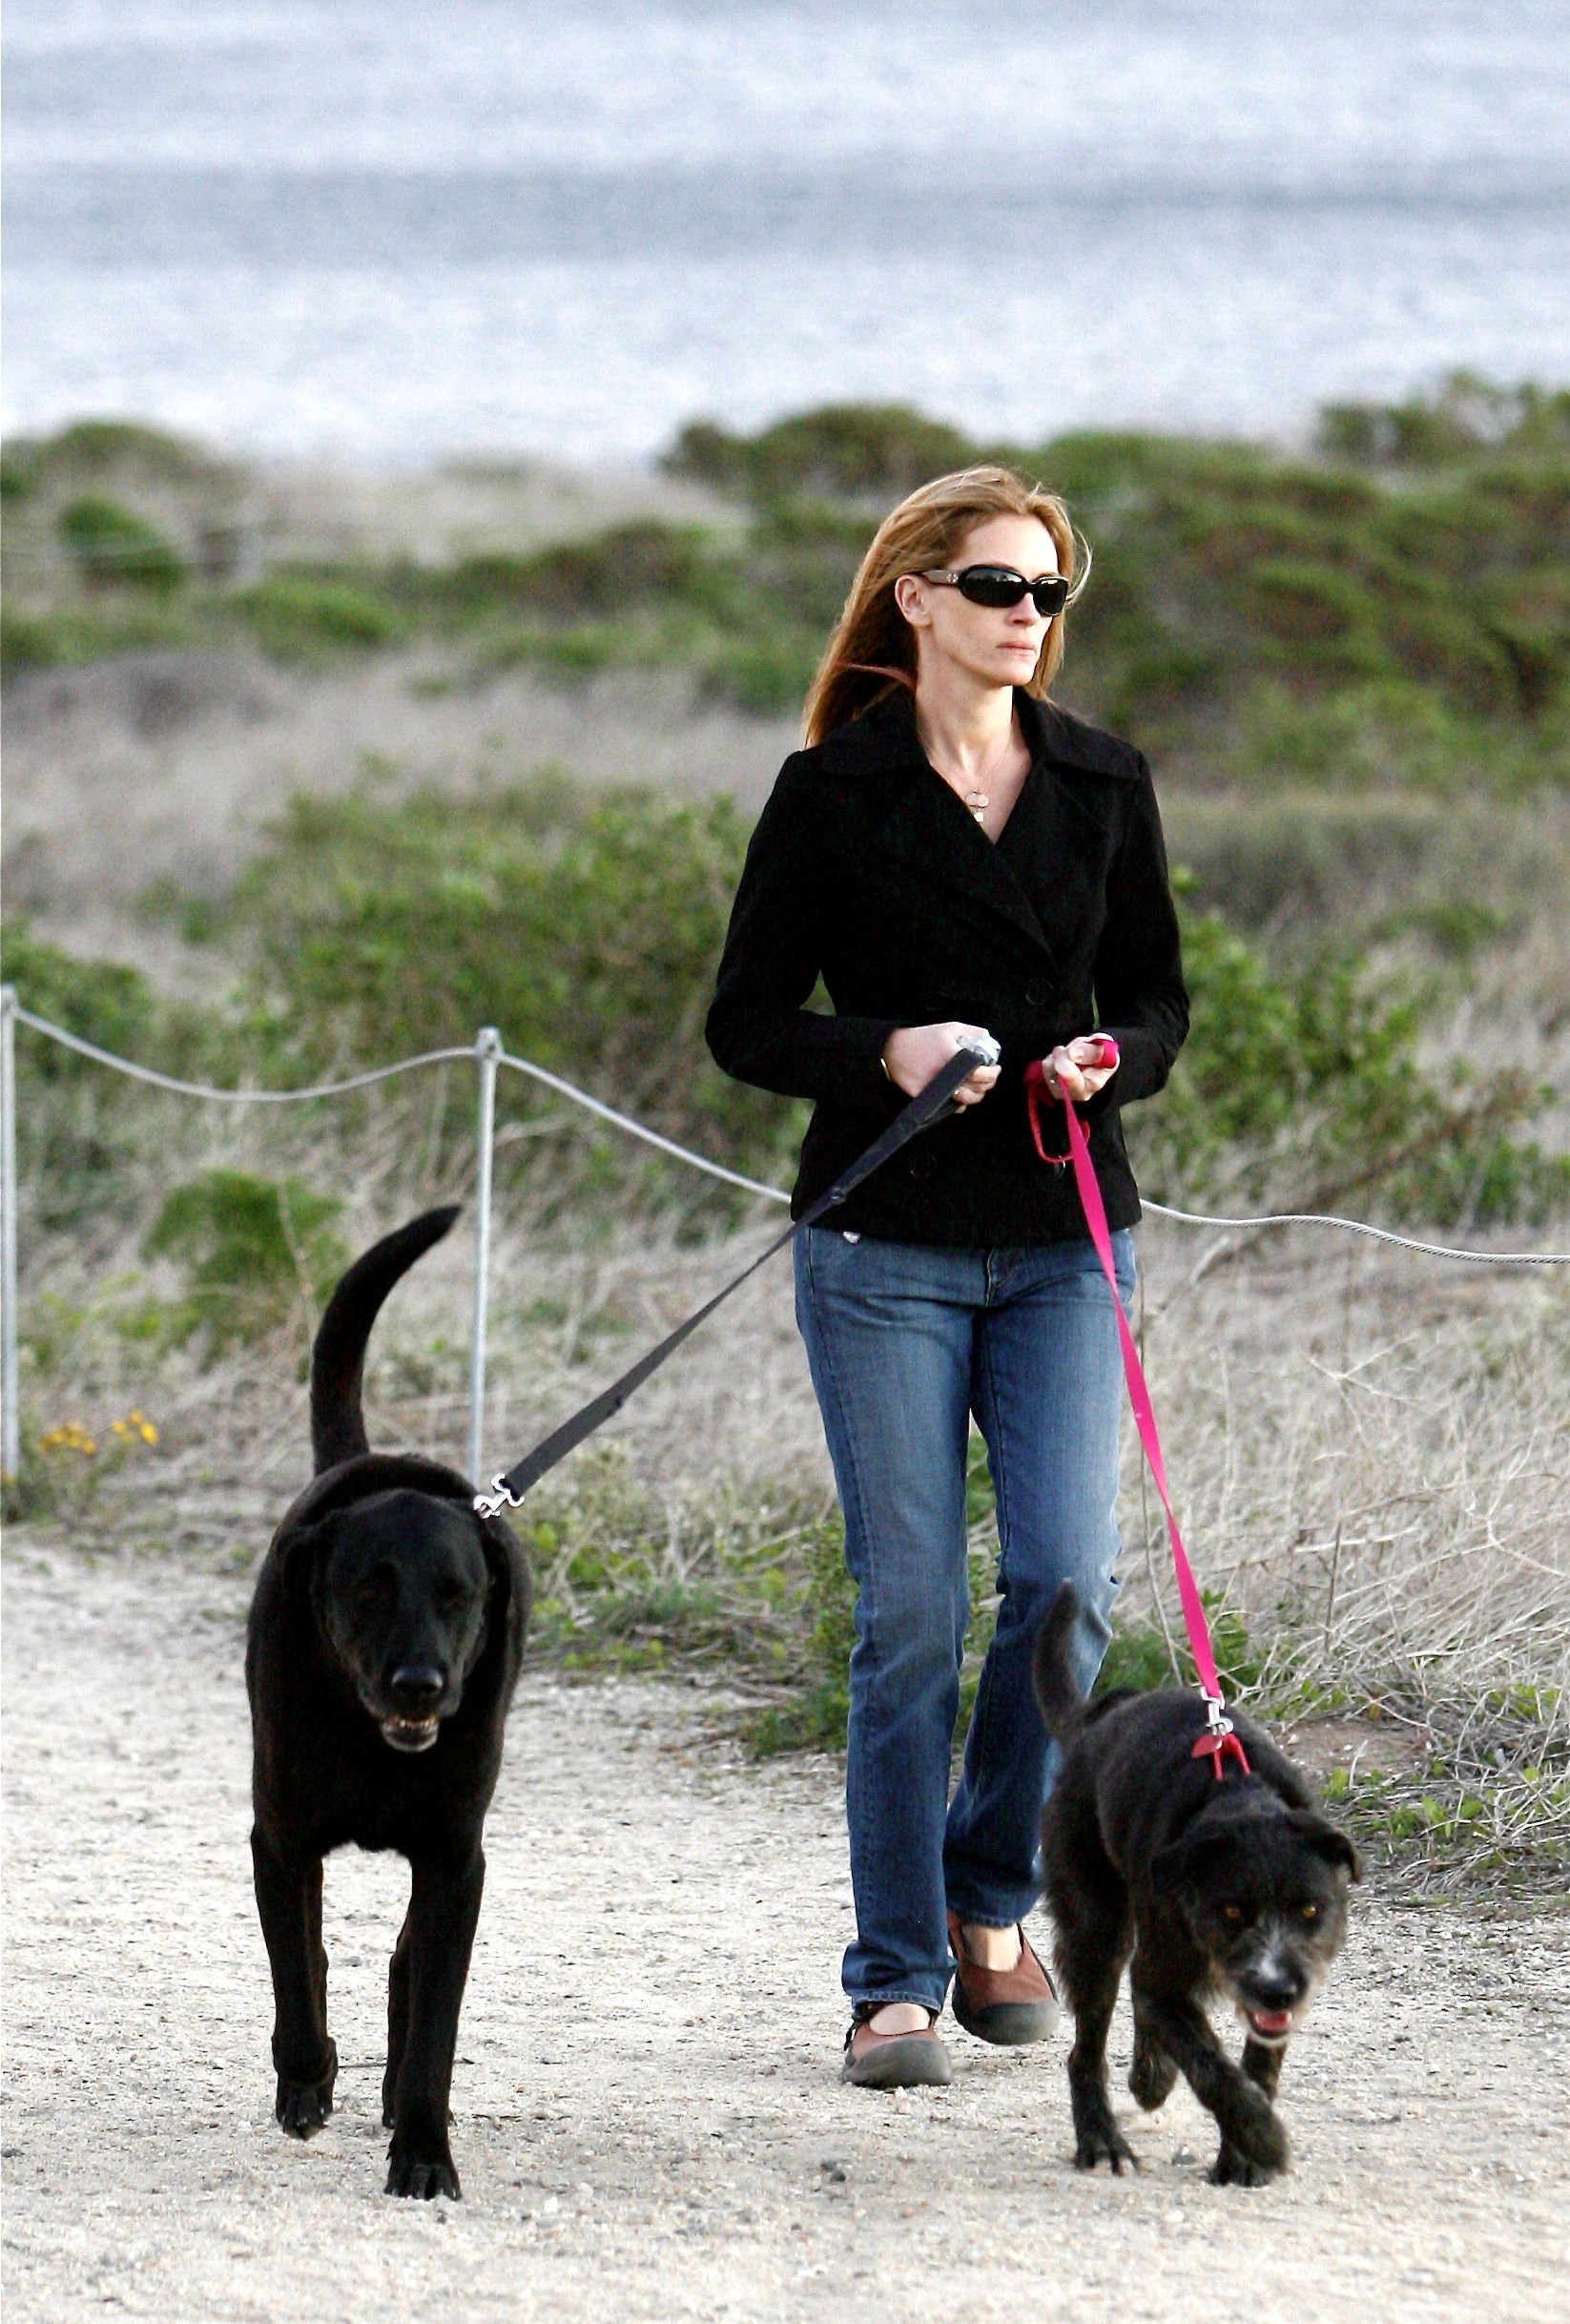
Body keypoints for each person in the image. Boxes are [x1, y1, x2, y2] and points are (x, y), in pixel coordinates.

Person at [705, 466, 1188, 2088]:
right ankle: (894, 1977)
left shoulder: (1102, 779)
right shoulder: (829, 791)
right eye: (996, 586)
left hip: (1065, 1240)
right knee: (908, 1615)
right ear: (915, 598)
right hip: (879, 1248)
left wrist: (1110, 1062)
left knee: (1065, 1588)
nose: (1026, 616)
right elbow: (745, 1022)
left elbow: (1158, 1005)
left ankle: (991, 1900)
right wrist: (885, 1050)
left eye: (1047, 592)